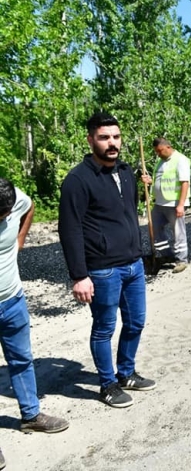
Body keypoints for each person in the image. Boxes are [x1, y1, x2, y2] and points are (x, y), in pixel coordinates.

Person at [59, 111, 156, 409]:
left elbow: (123, 213)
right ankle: (107, 384)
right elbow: (69, 228)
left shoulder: (126, 172)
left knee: (136, 322)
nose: (111, 143)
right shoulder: (78, 179)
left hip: (133, 263)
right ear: (90, 140)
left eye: (115, 136)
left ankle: (126, 373)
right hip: (102, 269)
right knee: (104, 328)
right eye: (104, 138)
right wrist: (79, 275)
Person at [0, 178, 69, 468]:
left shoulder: (14, 198)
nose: (3, 219)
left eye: (4, 215)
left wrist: (19, 241)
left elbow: (29, 207)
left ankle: (31, 416)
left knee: (22, 360)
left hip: (13, 300)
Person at [141, 137, 191, 273]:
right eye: (156, 152)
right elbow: (161, 180)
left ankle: (181, 260)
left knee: (178, 231)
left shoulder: (181, 160)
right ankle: (166, 255)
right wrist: (149, 180)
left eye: (159, 151)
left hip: (174, 203)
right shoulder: (161, 161)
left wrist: (181, 205)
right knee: (154, 227)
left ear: (168, 147)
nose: (158, 154)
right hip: (160, 202)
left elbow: (184, 183)